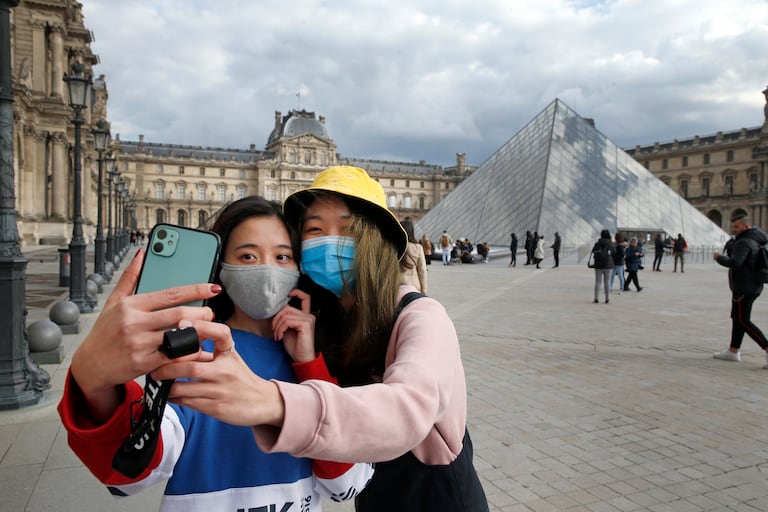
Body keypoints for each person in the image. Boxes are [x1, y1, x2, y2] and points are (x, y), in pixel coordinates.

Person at [151, 166, 489, 511]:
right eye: (315, 229)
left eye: (348, 229)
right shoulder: (323, 321)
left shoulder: (422, 317)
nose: (330, 240)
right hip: (374, 498)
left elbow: (405, 412)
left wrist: (273, 402)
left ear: (377, 239)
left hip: (438, 498)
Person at [57, 196, 372, 511]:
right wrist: (95, 382)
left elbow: (345, 486)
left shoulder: (319, 359)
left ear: (298, 267)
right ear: (221, 268)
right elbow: (130, 474)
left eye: (282, 256)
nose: (267, 269)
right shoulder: (195, 351)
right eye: (248, 256)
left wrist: (308, 366)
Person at [712, 214, 768, 368]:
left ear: (746, 226)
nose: (734, 230)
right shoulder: (756, 239)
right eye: (733, 227)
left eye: (736, 227)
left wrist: (718, 258)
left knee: (743, 320)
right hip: (751, 285)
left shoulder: (744, 242)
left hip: (744, 287)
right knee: (737, 318)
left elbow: (736, 263)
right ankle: (733, 351)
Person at [400, 219, 428, 293]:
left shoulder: (394, 246)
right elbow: (422, 270)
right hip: (413, 286)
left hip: (397, 285)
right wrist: (424, 289)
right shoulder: (418, 247)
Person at [591, 229, 614, 303]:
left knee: (598, 282)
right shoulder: (610, 244)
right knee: (607, 282)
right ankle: (607, 298)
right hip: (608, 265)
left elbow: (593, 251)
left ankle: (596, 298)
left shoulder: (597, 243)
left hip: (598, 265)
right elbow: (614, 253)